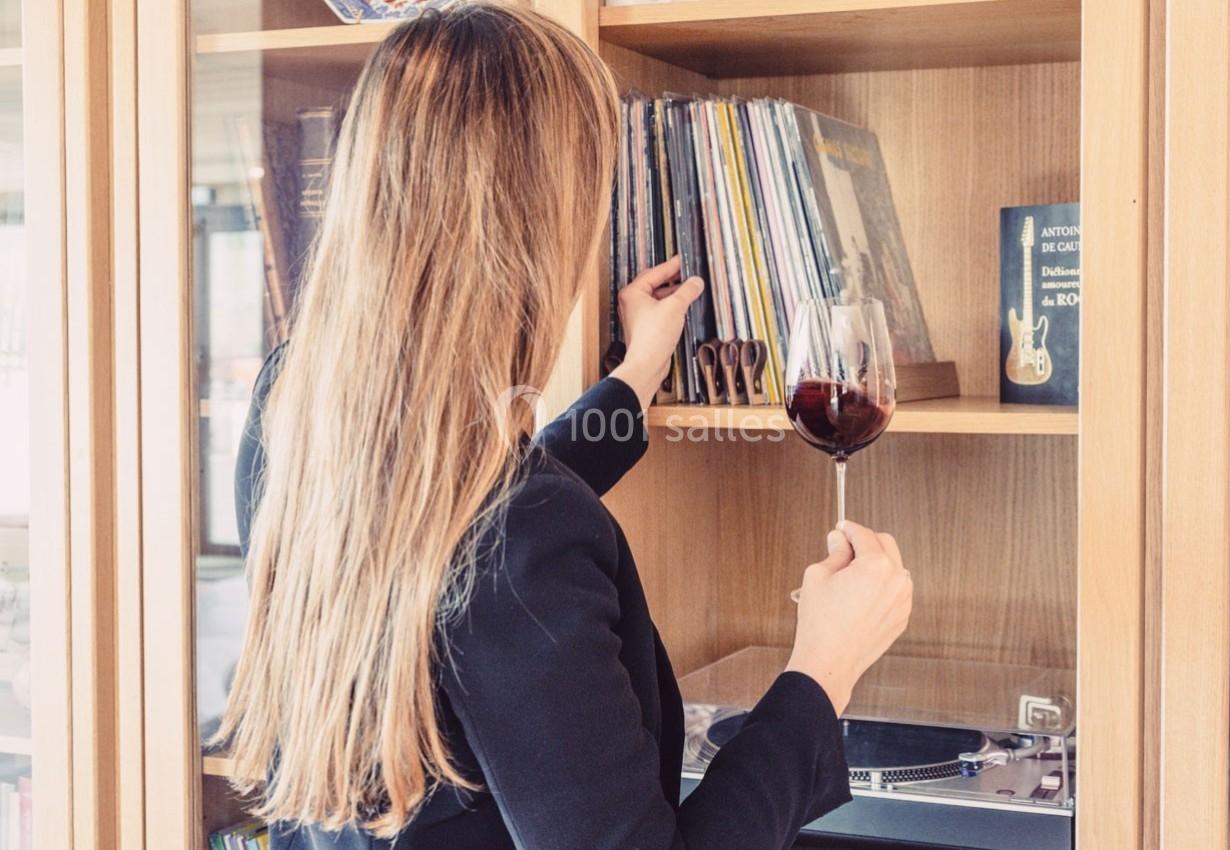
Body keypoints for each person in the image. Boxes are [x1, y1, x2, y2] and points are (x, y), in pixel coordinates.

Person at [218, 4, 913, 849]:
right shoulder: (522, 541)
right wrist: (823, 669)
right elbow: (496, 549)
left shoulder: (288, 408)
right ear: (535, 223)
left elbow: (450, 528)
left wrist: (632, 382)